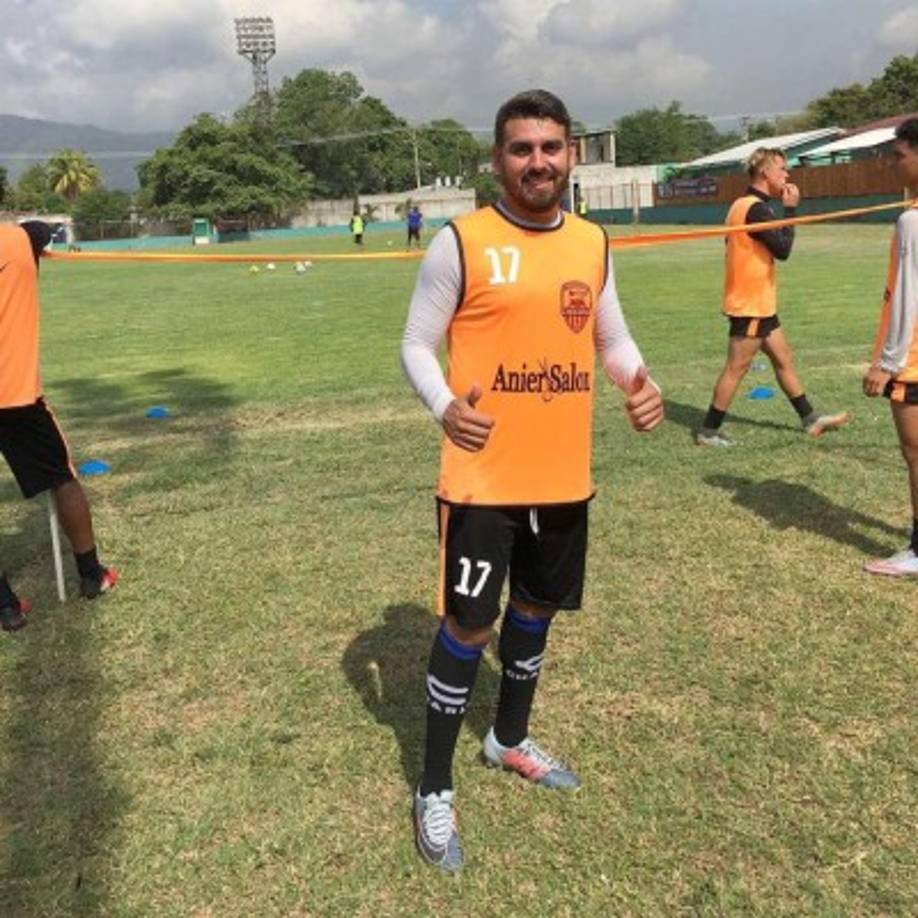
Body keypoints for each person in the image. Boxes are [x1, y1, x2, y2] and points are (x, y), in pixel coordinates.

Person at [400, 89, 663, 872]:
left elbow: (608, 336)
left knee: (538, 609)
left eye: (551, 147)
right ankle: (434, 787)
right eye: (522, 149)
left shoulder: (591, 241)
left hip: (563, 477)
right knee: (470, 627)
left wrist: (637, 380)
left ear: (571, 154)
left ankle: (508, 739)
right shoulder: (462, 241)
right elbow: (416, 344)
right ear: (498, 159)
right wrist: (446, 406)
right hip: (483, 480)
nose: (538, 161)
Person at [0, 220, 117, 632]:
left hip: (15, 394)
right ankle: (90, 574)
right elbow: (38, 232)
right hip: (15, 396)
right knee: (62, 480)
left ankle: (5, 606)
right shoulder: (17, 238)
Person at [696, 147, 849, 447]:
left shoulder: (742, 204)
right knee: (736, 368)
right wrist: (790, 209)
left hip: (760, 303)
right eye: (782, 168)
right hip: (750, 304)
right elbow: (783, 250)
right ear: (765, 173)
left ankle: (810, 418)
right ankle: (708, 431)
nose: (787, 174)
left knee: (783, 358)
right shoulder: (754, 208)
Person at [862, 117, 918, 577]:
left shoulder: (911, 221)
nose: (892, 164)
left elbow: (906, 300)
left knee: (916, 451)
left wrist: (887, 363)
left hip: (914, 361)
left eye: (899, 156)